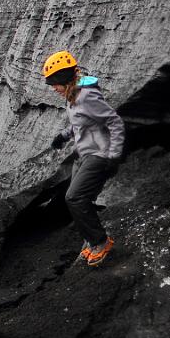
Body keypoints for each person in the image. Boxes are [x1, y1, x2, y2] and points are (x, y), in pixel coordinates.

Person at [42, 50, 125, 266]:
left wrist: (114, 155)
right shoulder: (72, 95)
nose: (53, 88)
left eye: (54, 83)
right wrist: (64, 135)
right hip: (83, 152)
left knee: (75, 197)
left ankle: (101, 243)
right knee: (79, 199)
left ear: (63, 79)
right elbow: (80, 121)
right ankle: (92, 240)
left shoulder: (87, 96)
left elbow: (115, 122)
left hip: (99, 154)